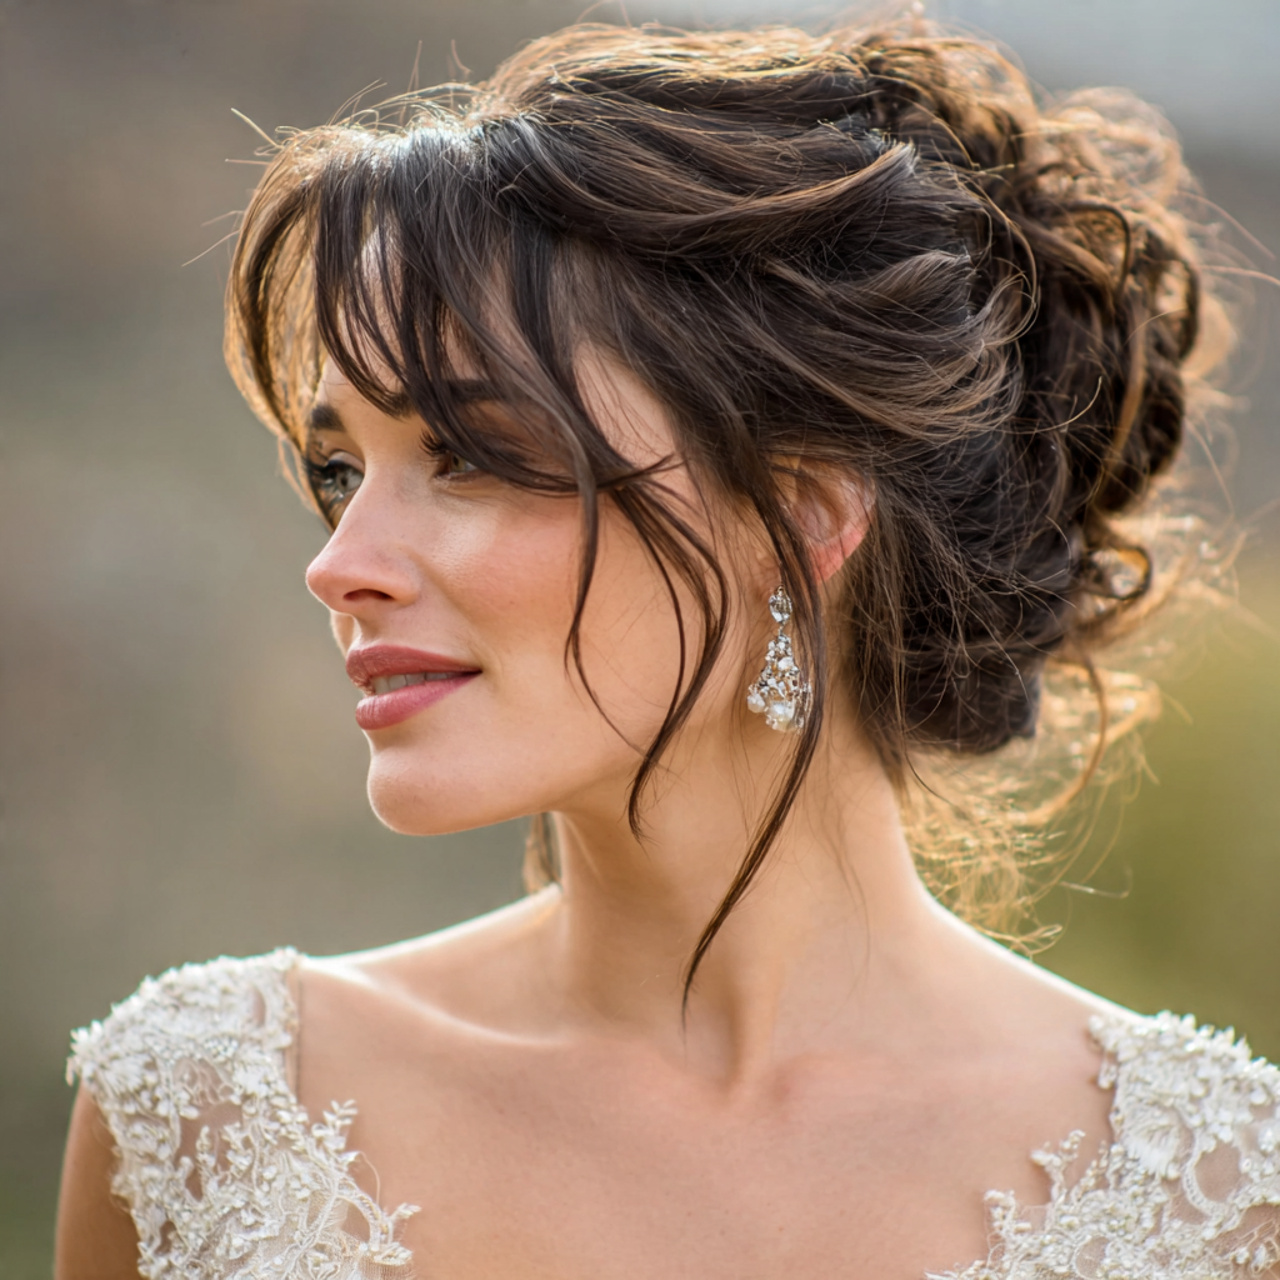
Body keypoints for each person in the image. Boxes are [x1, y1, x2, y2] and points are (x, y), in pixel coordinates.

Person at [53, 14, 1280, 1280]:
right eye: (338, 468)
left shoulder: (1215, 1194)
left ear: (795, 519)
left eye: (469, 453)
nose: (338, 562)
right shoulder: (210, 1110)